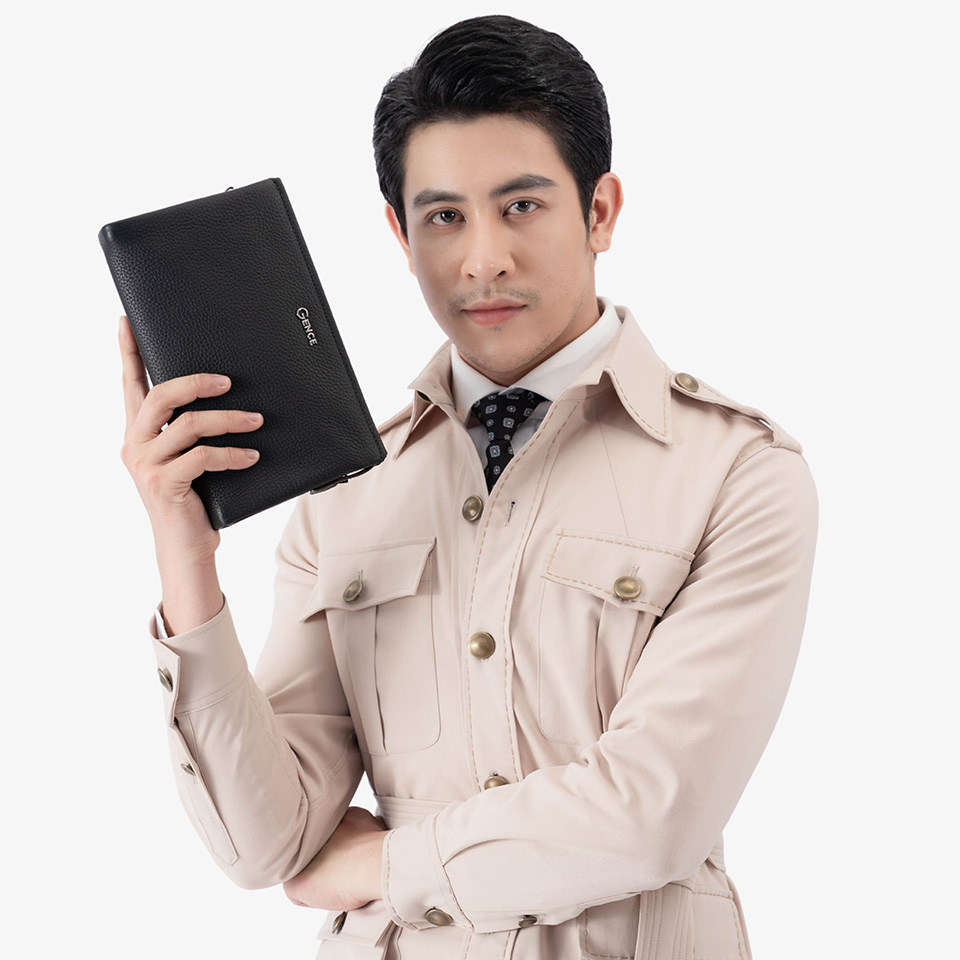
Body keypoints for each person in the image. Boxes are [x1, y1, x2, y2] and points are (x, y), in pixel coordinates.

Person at [119, 15, 817, 960]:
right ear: (401, 235)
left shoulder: (738, 473)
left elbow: (656, 811)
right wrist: (183, 549)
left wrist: (385, 865)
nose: (482, 258)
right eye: (444, 217)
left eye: (521, 205)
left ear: (601, 211)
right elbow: (263, 843)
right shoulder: (345, 489)